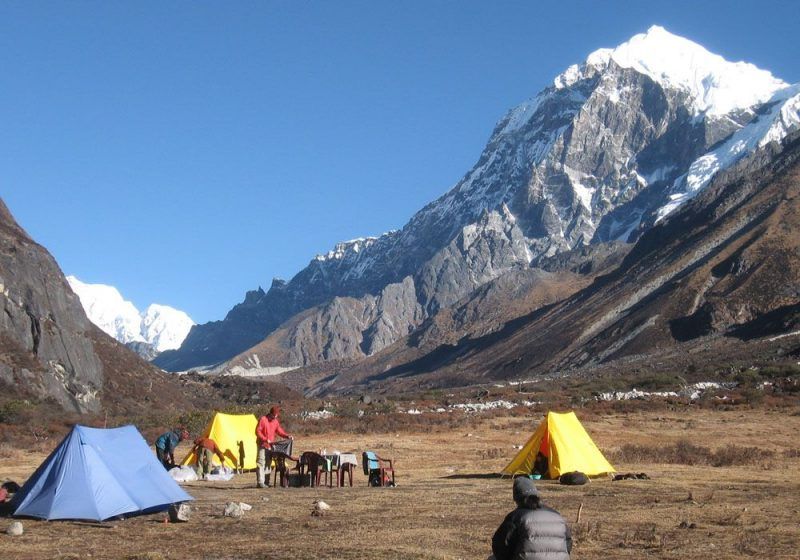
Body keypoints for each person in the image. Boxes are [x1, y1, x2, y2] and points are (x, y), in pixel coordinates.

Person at [491, 477, 572, 560]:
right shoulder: (556, 515)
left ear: (516, 499)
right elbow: (568, 543)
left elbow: (500, 545)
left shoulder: (516, 517)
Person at [255, 406, 292, 488]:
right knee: (260, 462)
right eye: (273, 416)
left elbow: (279, 430)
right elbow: (258, 431)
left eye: (276, 416)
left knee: (268, 463)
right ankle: (260, 482)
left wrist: (287, 436)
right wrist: (265, 439)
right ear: (270, 413)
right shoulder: (263, 419)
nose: (275, 417)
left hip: (270, 445)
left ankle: (266, 482)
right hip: (262, 444)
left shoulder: (275, 421)